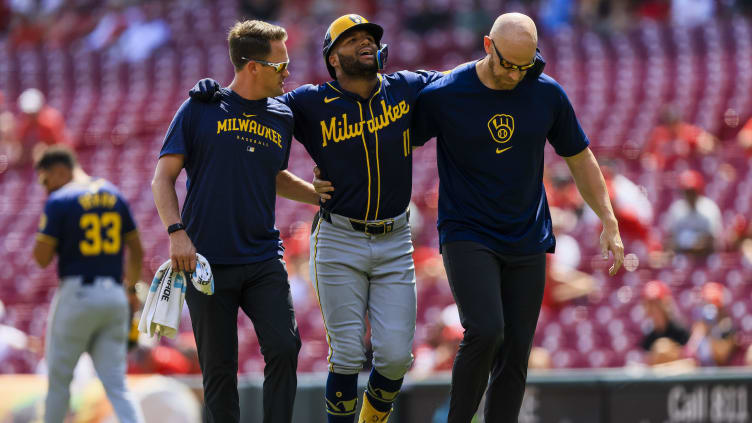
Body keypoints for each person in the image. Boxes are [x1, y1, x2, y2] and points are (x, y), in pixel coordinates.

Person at [189, 14, 445, 423]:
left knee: (396, 358)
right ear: (333, 59)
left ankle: (372, 417)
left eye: (369, 37)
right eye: (353, 39)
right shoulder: (305, 103)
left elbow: (463, 81)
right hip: (339, 235)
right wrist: (213, 94)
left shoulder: (407, 87)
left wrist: (500, 56)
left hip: (395, 238)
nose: (365, 42)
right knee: (345, 354)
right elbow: (250, 106)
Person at [410, 13, 624, 422]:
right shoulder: (447, 93)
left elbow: (579, 158)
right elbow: (396, 141)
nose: (515, 75)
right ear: (489, 46)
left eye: (525, 67)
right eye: (508, 64)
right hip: (467, 231)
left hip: (527, 236)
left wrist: (608, 219)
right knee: (487, 330)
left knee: (516, 354)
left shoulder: (546, 93)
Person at [151, 20, 321, 423]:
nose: (288, 74)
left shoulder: (282, 115)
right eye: (281, 66)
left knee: (284, 347)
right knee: (219, 371)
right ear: (253, 67)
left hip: (263, 257)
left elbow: (275, 176)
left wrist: (320, 196)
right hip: (205, 261)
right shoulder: (199, 107)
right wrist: (177, 234)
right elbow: (163, 178)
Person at [31, 146, 145, 423]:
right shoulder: (114, 193)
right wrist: (131, 290)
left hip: (77, 294)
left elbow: (41, 259)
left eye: (46, 180)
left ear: (60, 171)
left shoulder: (60, 199)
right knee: (117, 385)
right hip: (115, 294)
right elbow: (137, 250)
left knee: (59, 382)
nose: (46, 188)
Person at [665, 169, 723, 257]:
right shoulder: (676, 209)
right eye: (687, 192)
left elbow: (714, 240)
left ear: (699, 190)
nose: (689, 195)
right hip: (681, 256)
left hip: (706, 257)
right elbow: (671, 238)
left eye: (692, 191)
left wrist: (698, 245)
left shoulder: (709, 208)